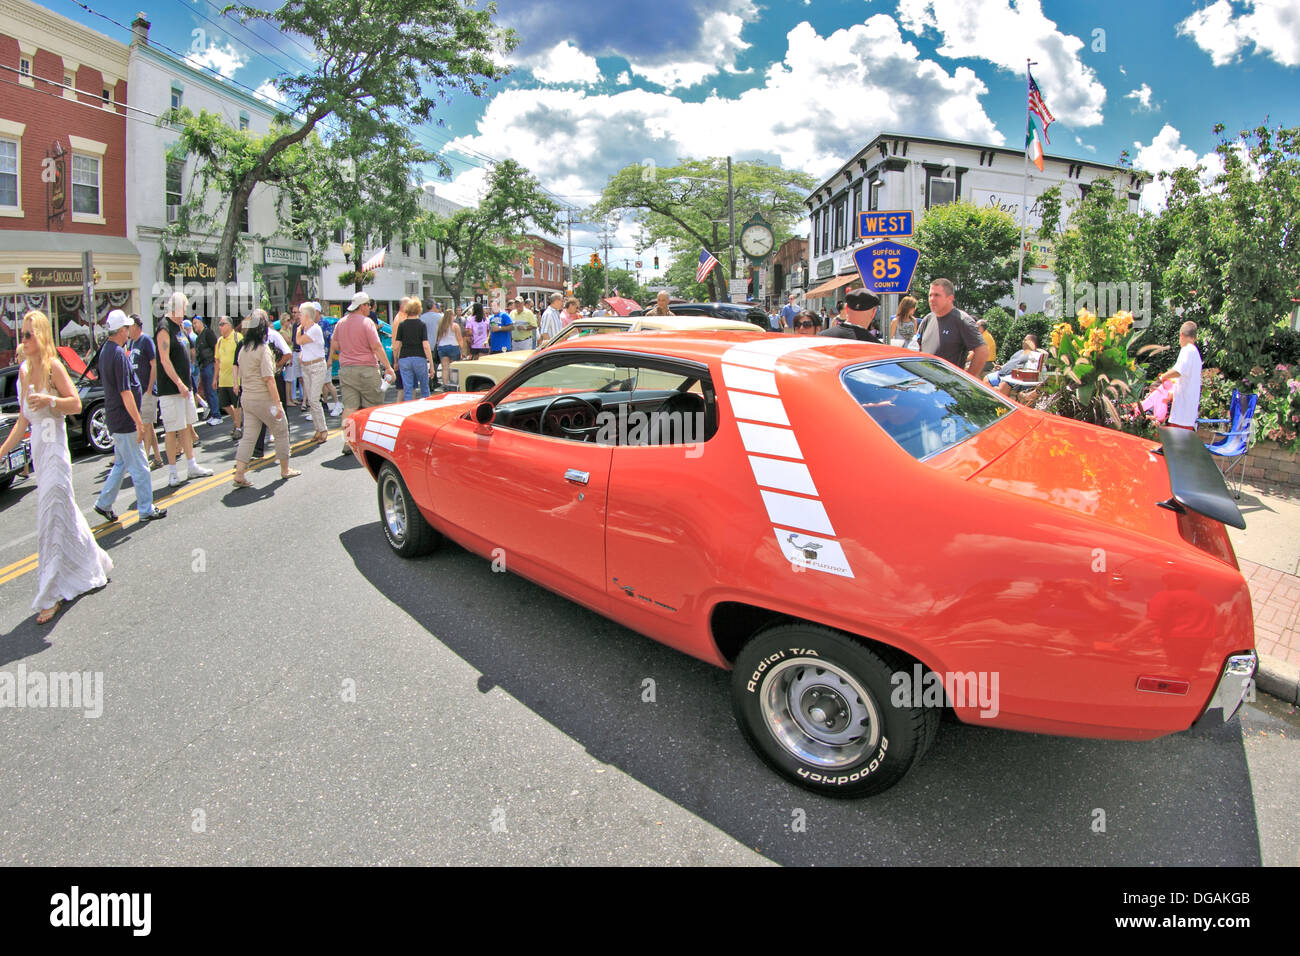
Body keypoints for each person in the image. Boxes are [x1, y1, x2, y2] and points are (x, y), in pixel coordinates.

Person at [0, 310, 112, 624]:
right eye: (21, 335)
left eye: (27, 334)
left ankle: (50, 593)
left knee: (50, 518)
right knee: (67, 515)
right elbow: (23, 420)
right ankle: (94, 561)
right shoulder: (23, 371)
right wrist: (2, 451)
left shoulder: (54, 368)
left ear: (41, 336)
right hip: (39, 450)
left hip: (57, 453)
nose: (22, 340)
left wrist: (49, 400)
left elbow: (75, 404)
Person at [91, 310, 167, 524]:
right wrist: (138, 422)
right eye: (126, 328)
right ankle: (145, 508)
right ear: (121, 331)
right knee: (141, 466)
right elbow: (126, 393)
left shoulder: (108, 350)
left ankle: (104, 503)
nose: (128, 331)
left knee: (121, 464)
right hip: (124, 421)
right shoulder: (117, 354)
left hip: (116, 419)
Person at [232, 310, 301, 487]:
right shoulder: (263, 350)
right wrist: (278, 403)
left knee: (248, 436)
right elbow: (269, 379)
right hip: (264, 398)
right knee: (281, 429)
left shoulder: (243, 349)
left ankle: (239, 473)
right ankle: (285, 469)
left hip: (247, 398)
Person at [155, 292, 213, 487]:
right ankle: (172, 472)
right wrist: (179, 383)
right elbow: (164, 360)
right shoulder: (164, 327)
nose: (185, 313)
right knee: (172, 430)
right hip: (171, 389)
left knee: (187, 427)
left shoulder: (180, 327)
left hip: (185, 387)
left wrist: (188, 384)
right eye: (183, 308)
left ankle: (191, 465)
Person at [329, 291, 395, 456]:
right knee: (372, 406)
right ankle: (372, 442)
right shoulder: (367, 323)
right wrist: (388, 367)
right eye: (368, 306)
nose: (370, 309)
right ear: (363, 306)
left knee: (350, 407)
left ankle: (347, 442)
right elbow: (376, 347)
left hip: (346, 370)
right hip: (366, 368)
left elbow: (335, 345)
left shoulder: (341, 323)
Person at [916, 278, 988, 375]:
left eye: (937, 295)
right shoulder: (927, 319)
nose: (932, 299)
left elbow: (982, 351)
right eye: (930, 295)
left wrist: (967, 381)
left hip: (948, 385)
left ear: (950, 298)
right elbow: (917, 348)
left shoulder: (962, 321)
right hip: (925, 382)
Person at [126, 314, 162, 467]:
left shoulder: (145, 340)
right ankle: (158, 458)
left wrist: (149, 388)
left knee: (145, 426)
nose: (127, 329)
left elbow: (154, 364)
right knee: (148, 426)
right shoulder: (132, 343)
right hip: (139, 392)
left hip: (147, 391)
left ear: (136, 326)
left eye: (129, 326)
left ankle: (145, 459)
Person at [1158, 321, 1203, 430]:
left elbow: (1178, 371)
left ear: (1181, 335)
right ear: (1194, 337)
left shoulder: (1187, 350)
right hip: (1188, 412)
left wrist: (1162, 377)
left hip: (1182, 413)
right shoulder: (1195, 353)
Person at [296, 301, 330, 442]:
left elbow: (299, 341)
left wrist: (298, 330)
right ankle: (317, 430)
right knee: (311, 399)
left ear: (307, 316)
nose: (298, 317)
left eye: (300, 314)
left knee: (314, 399)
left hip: (316, 367)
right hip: (307, 366)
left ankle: (323, 430)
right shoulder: (306, 329)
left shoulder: (314, 329)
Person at [394, 295, 433, 400]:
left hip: (404, 358)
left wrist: (395, 361)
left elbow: (397, 345)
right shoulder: (421, 324)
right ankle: (425, 411)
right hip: (419, 357)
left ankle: (409, 409)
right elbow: (425, 345)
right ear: (419, 309)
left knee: (408, 389)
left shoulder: (402, 325)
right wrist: (431, 364)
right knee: (425, 388)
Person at [985, 333, 1045, 401]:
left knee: (1003, 387)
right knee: (986, 379)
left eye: (1025, 340)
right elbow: (1011, 361)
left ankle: (1002, 402)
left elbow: (1033, 370)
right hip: (1001, 373)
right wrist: (1001, 366)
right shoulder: (1020, 351)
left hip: (1012, 376)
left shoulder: (1034, 356)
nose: (1023, 341)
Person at [213, 316, 243, 441]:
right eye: (219, 324)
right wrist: (215, 378)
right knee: (224, 404)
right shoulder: (219, 341)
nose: (220, 326)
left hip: (236, 379)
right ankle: (238, 422)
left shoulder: (238, 338)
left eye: (222, 324)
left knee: (236, 405)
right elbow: (217, 361)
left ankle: (238, 428)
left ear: (229, 325)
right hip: (224, 379)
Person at [192, 316, 220, 424]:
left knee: (211, 390)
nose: (194, 325)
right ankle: (213, 413)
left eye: (196, 323)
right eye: (193, 323)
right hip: (202, 366)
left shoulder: (208, 333)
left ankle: (217, 415)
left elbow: (215, 347)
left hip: (210, 364)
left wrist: (216, 362)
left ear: (201, 323)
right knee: (207, 392)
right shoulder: (198, 337)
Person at [433, 308, 464, 391]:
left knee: (445, 368)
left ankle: (445, 385)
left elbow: (438, 338)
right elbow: (459, 338)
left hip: (442, 347)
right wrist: (461, 349)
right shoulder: (455, 326)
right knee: (453, 367)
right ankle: (453, 386)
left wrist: (438, 347)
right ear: (452, 316)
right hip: (454, 347)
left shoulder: (441, 326)